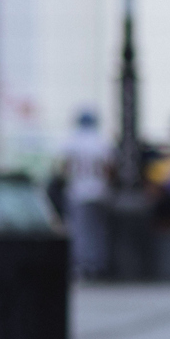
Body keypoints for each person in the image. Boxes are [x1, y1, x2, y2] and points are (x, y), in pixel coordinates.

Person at [59, 109, 110, 278]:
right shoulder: (102, 141)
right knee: (97, 231)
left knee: (80, 230)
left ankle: (81, 265)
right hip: (99, 191)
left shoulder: (72, 141)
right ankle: (96, 265)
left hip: (78, 191)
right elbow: (109, 168)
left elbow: (64, 168)